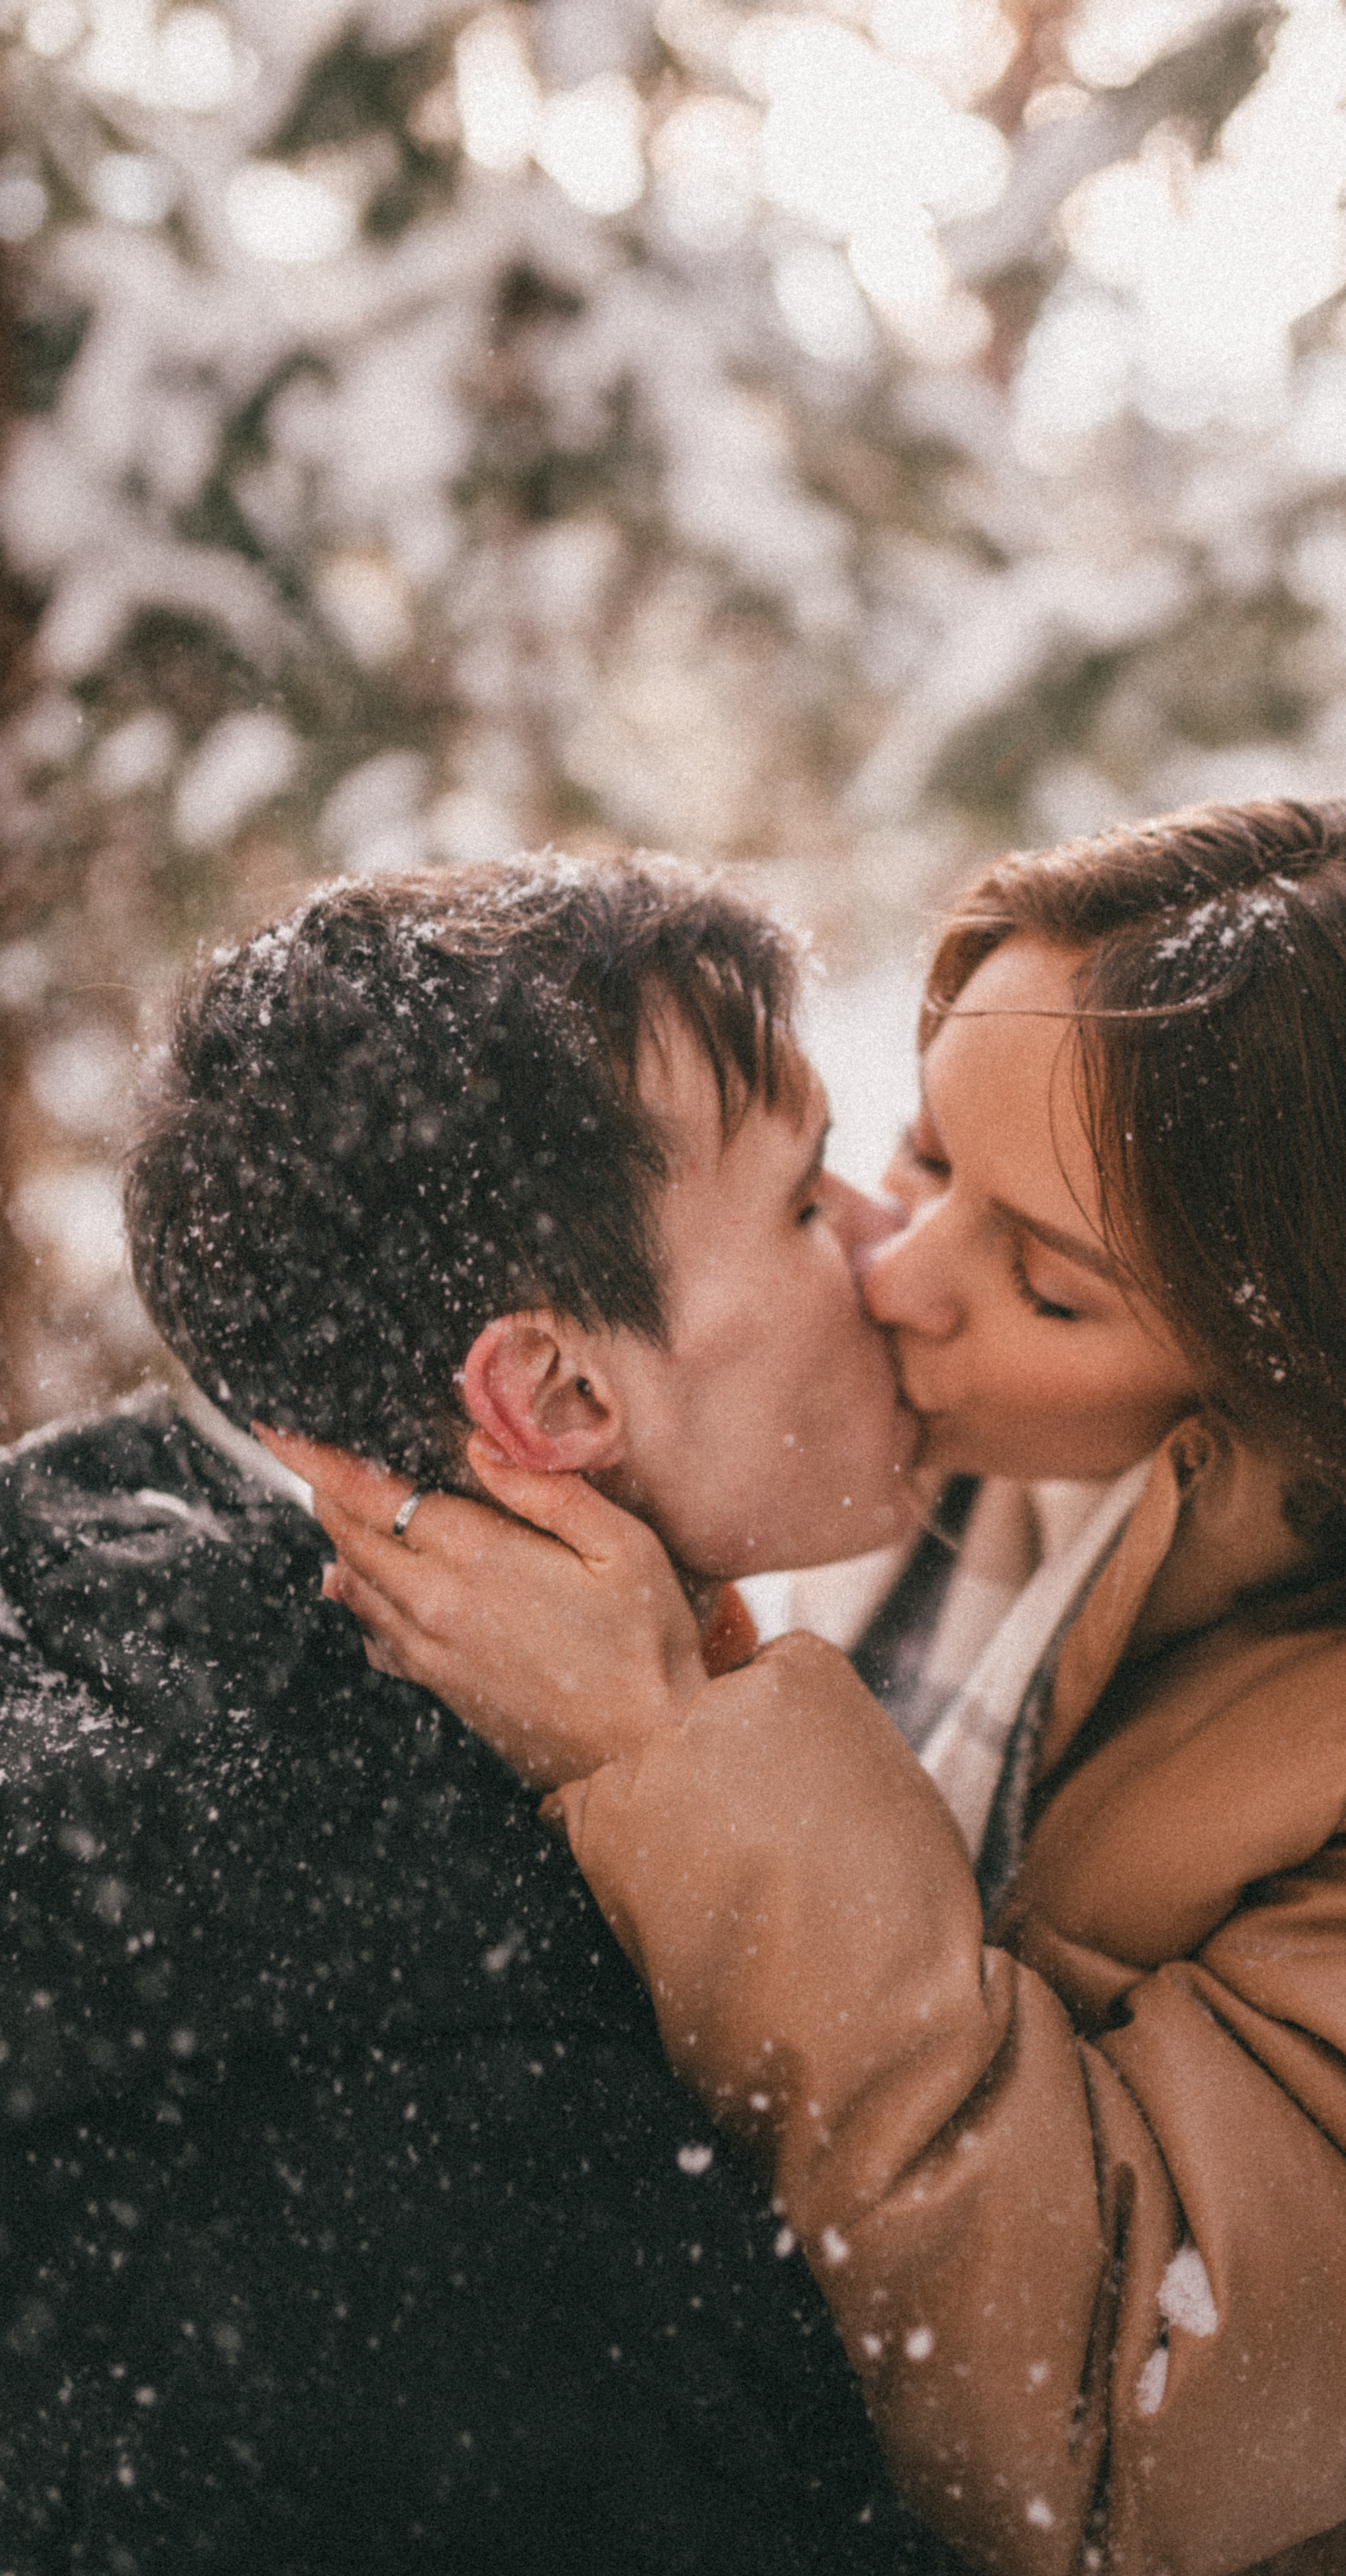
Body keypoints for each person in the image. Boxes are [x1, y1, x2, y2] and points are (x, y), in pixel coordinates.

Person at [287, 798, 1346, 2576]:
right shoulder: (967, 1476)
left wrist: (675, 1751)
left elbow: (1117, 2432)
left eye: (1044, 1279)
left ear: (1325, 1369)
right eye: (930, 1154)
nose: (898, 1267)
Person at [0, 849, 951, 2573]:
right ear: (558, 1392)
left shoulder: (161, 1637)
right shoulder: (453, 2127)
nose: (896, 1253)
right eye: (809, 1203)